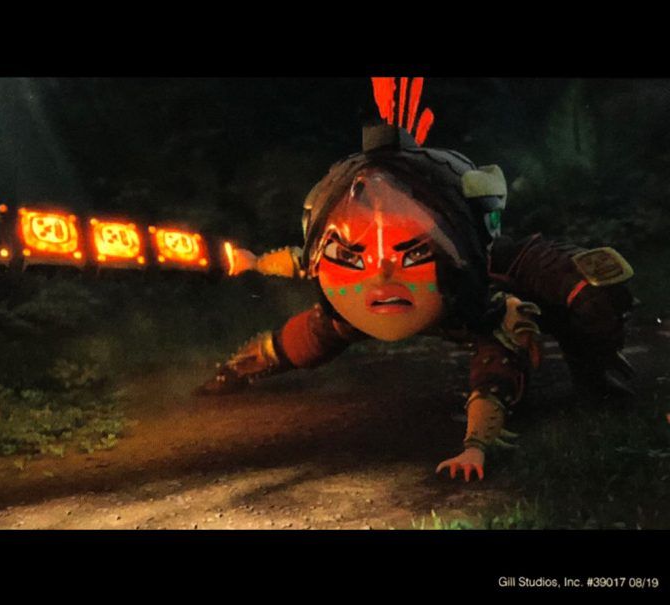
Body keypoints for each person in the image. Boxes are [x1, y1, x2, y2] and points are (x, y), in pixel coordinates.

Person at [194, 79, 636, 482]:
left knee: (581, 298)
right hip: (407, 292)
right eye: (353, 255)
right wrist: (252, 262)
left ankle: (601, 380)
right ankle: (231, 373)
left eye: (411, 252)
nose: (382, 273)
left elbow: (501, 357)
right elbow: (303, 260)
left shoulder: (482, 278)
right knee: (319, 331)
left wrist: (475, 447)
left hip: (468, 292)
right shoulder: (340, 272)